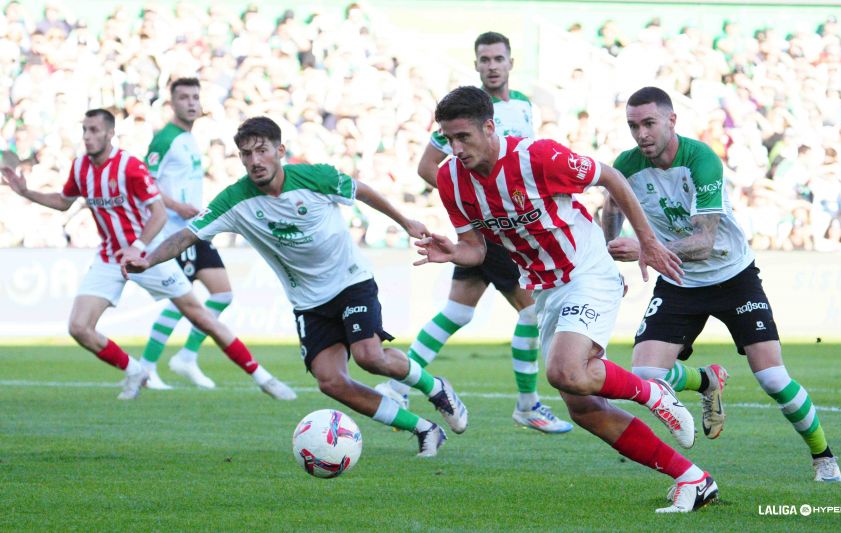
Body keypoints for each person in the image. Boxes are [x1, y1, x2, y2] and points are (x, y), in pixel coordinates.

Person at [416, 86, 717, 513]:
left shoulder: (537, 157)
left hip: (587, 271)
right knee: (585, 408)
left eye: (464, 136)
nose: (456, 147)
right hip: (545, 288)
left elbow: (609, 176)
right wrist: (453, 252)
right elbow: (477, 248)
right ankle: (693, 478)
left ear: (489, 126)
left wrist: (646, 242)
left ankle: (654, 394)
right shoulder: (450, 178)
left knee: (565, 369)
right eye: (448, 138)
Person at [123, 116, 468, 457]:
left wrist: (405, 221)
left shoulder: (315, 177)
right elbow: (187, 235)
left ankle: (436, 389)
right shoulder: (233, 200)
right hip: (307, 301)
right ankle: (424, 429)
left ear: (280, 150)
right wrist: (147, 259)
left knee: (369, 356)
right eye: (246, 154)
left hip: (350, 281)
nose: (255, 161)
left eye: (261, 151)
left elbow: (360, 190)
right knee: (330, 382)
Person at [601, 86, 841, 483]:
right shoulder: (626, 165)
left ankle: (823, 457)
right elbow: (610, 207)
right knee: (644, 373)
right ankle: (707, 379)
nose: (641, 133)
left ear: (671, 120)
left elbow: (704, 241)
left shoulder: (701, 160)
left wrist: (646, 250)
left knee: (773, 379)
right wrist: (610, 253)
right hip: (679, 280)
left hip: (732, 275)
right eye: (633, 125)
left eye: (649, 123)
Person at [0, 109, 295, 401]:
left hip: (145, 255)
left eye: (94, 130)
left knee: (201, 318)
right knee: (78, 327)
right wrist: (27, 193)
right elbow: (64, 202)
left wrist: (139, 247)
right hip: (109, 258)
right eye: (85, 130)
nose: (88, 136)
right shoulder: (80, 168)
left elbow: (158, 214)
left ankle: (263, 378)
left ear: (109, 133)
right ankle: (135, 370)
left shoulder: (129, 166)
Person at [377, 31, 571, 434]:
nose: (492, 65)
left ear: (510, 62)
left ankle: (397, 384)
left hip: (500, 224)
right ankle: (528, 404)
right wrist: (473, 199)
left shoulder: (521, 105)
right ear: (477, 64)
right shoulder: (463, 113)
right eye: (484, 59)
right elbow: (428, 166)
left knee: (457, 312)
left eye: (498, 58)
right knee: (532, 311)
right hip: (493, 229)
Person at [138, 77, 235, 390]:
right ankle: (146, 366)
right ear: (173, 103)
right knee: (182, 299)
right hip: (172, 233)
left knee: (222, 293)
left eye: (195, 97)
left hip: (195, 230)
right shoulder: (165, 139)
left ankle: (187, 356)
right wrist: (177, 206)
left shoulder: (191, 138)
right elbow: (145, 183)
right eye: (184, 97)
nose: (192, 102)